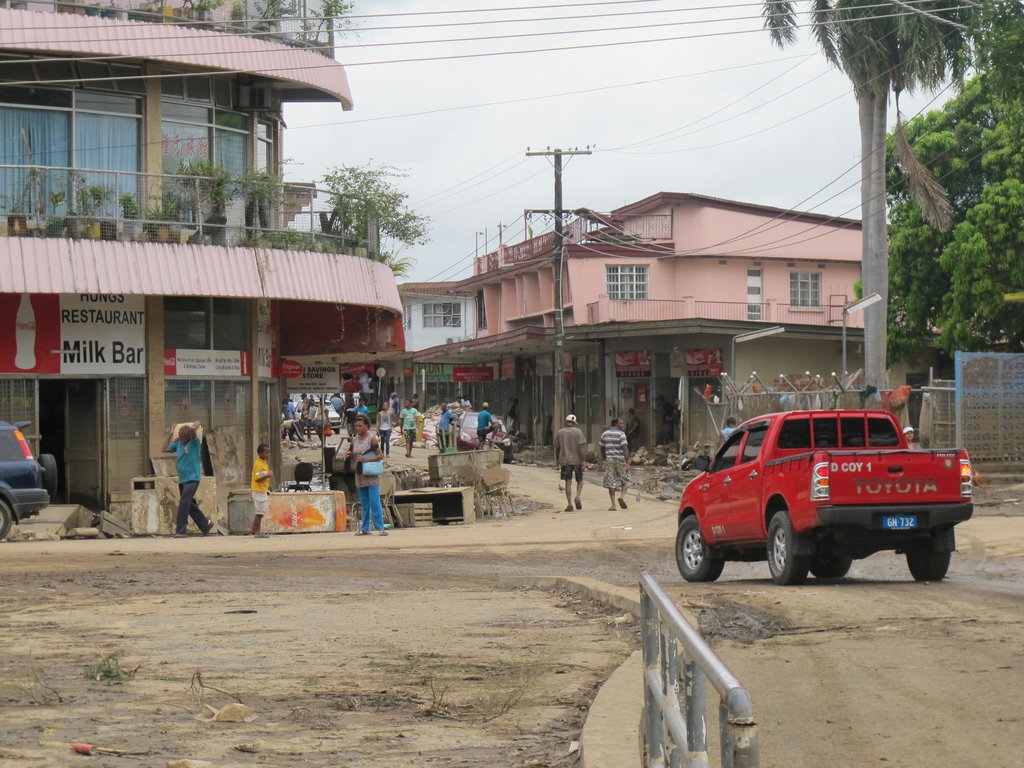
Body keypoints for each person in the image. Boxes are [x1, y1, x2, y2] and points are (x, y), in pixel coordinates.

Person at [162, 422, 214, 538]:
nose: (180, 437)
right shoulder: (178, 444)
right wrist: (170, 434)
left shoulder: (194, 443)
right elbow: (164, 449)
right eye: (179, 434)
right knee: (189, 504)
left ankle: (181, 530)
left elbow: (195, 434)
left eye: (182, 435)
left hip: (193, 478)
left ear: (188, 435)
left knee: (184, 503)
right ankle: (205, 524)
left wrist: (194, 428)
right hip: (182, 479)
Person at [345, 414, 387, 536]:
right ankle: (365, 528)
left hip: (371, 475)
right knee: (364, 503)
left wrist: (366, 460)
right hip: (360, 475)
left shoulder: (371, 439)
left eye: (360, 425)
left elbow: (380, 455)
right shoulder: (355, 439)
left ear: (367, 426)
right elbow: (352, 452)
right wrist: (348, 455)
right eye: (356, 426)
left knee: (374, 502)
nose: (357, 428)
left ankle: (380, 528)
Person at [554, 414, 587, 512]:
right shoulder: (578, 432)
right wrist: (583, 460)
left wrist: (557, 460)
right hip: (577, 460)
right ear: (574, 422)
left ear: (566, 421)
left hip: (565, 461)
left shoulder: (560, 432)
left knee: (567, 482)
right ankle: (577, 496)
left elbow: (557, 447)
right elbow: (581, 448)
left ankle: (569, 504)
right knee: (580, 480)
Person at [600, 417, 631, 511]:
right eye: (621, 423)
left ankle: (613, 505)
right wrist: (627, 462)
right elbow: (625, 448)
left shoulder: (604, 434)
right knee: (626, 480)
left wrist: (605, 458)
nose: (623, 425)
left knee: (611, 482)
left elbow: (602, 447)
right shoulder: (621, 434)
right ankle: (621, 496)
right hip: (620, 459)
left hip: (609, 460)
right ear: (616, 424)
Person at [249, 443, 273, 538]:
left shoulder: (263, 462)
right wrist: (268, 475)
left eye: (269, 452)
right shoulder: (259, 464)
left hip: (262, 490)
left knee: (261, 511)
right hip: (258, 491)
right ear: (260, 453)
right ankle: (257, 532)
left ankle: (253, 528)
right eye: (266, 453)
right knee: (260, 513)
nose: (268, 454)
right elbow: (257, 478)